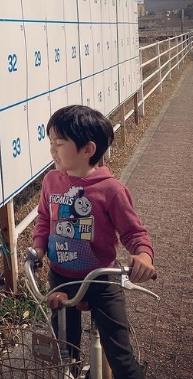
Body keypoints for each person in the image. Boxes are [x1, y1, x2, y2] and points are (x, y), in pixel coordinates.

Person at [32, 104, 156, 379]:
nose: (52, 150)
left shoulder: (111, 190)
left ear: (88, 149)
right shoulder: (51, 181)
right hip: (61, 277)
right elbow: (44, 218)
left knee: (120, 356)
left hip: (101, 280)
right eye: (50, 143)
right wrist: (39, 248)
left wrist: (143, 256)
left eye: (59, 144)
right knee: (65, 353)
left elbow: (134, 233)